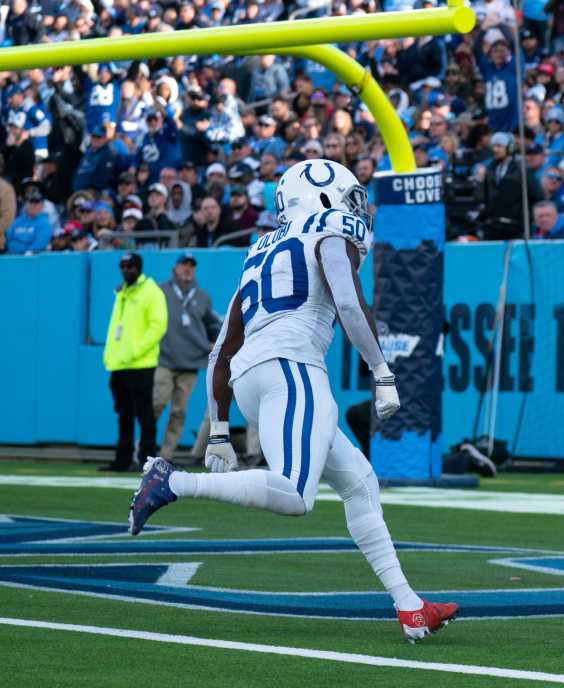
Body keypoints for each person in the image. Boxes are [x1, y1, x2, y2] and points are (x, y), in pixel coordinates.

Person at [128, 159, 458, 641]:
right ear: (325, 195)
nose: (356, 207)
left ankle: (410, 606)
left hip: (252, 378)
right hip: (293, 367)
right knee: (296, 495)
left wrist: (220, 427)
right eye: (350, 196)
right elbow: (347, 302)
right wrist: (381, 370)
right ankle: (173, 480)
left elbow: (223, 347)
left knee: (361, 483)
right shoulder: (330, 228)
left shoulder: (261, 247)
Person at [101, 253, 168, 472]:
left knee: (144, 415)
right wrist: (111, 357)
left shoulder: (151, 291)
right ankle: (122, 460)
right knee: (124, 416)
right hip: (119, 365)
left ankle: (148, 461)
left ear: (138, 267)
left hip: (140, 364)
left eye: (130, 266)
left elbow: (158, 326)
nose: (126, 269)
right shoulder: (122, 292)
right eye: (122, 266)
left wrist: (136, 352)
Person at [154, 253, 222, 463]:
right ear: (175, 268)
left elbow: (212, 324)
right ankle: (143, 450)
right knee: (156, 406)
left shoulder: (202, 296)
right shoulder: (160, 291)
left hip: (191, 363)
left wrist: (216, 342)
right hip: (165, 359)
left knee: (179, 412)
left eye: (191, 265)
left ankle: (165, 456)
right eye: (184, 264)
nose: (188, 268)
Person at [5, 179, 53, 254]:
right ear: (26, 203)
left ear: (42, 204)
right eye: (30, 202)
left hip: (33, 261)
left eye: (36, 202)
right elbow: (8, 241)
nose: (33, 205)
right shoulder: (16, 222)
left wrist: (21, 250)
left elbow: (38, 246)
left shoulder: (45, 223)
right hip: (12, 257)